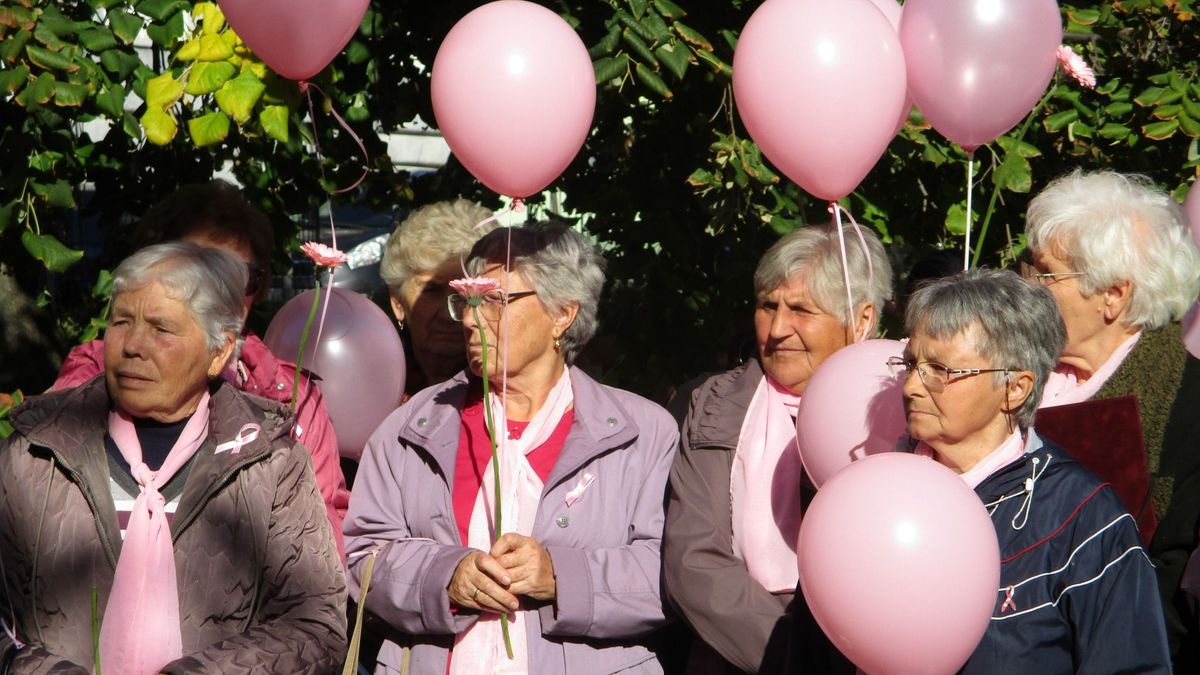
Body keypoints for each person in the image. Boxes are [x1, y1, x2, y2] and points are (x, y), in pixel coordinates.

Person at [345, 223, 677, 674]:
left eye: (494, 301)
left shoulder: (642, 433)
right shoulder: (412, 427)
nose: (468, 319)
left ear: (562, 313)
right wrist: (444, 577)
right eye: (466, 300)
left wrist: (560, 576)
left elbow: (673, 576)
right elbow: (364, 555)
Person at [0, 243, 346, 673]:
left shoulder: (269, 462)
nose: (133, 346)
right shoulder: (38, 452)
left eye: (161, 329)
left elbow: (314, 624)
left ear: (219, 352)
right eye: (122, 321)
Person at [52, 180, 351, 557]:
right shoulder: (99, 375)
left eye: (239, 276)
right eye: (197, 274)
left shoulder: (295, 398)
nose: (220, 294)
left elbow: (321, 553)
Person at [895, 268, 1170, 673]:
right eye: (910, 363)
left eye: (941, 370)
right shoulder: (874, 497)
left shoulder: (1084, 519)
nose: (910, 387)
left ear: (1015, 388)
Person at [663, 225, 894, 674]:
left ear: (861, 320)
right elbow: (692, 562)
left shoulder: (905, 409)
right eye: (768, 306)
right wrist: (798, 658)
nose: (778, 329)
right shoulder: (711, 405)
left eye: (802, 310)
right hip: (737, 654)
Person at [1024, 170, 1200, 665]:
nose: (1028, 287)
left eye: (1046, 273)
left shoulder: (1189, 406)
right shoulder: (1013, 376)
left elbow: (1174, 585)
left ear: (1113, 295)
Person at [379, 198, 497, 396]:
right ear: (397, 303)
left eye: (464, 292)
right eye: (431, 290)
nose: (448, 313)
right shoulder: (375, 378)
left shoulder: (506, 388)